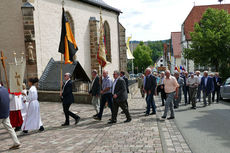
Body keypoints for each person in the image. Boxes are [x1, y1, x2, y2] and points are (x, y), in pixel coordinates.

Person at [0, 83, 21, 149]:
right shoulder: (5, 89)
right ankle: (16, 142)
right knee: (10, 129)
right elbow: (8, 99)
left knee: (10, 129)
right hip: (6, 113)